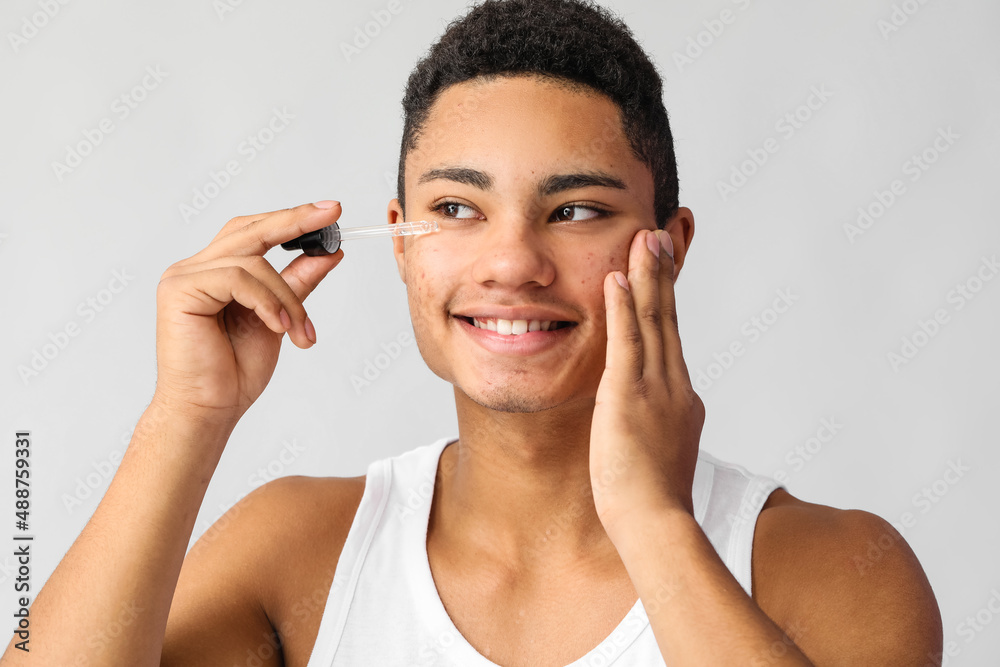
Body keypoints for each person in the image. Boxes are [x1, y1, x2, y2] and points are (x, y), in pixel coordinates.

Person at [2, 0, 942, 665]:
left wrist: (653, 521)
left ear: (671, 244)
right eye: (456, 208)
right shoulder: (300, 549)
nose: (511, 262)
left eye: (574, 211)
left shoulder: (830, 568)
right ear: (404, 245)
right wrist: (186, 416)